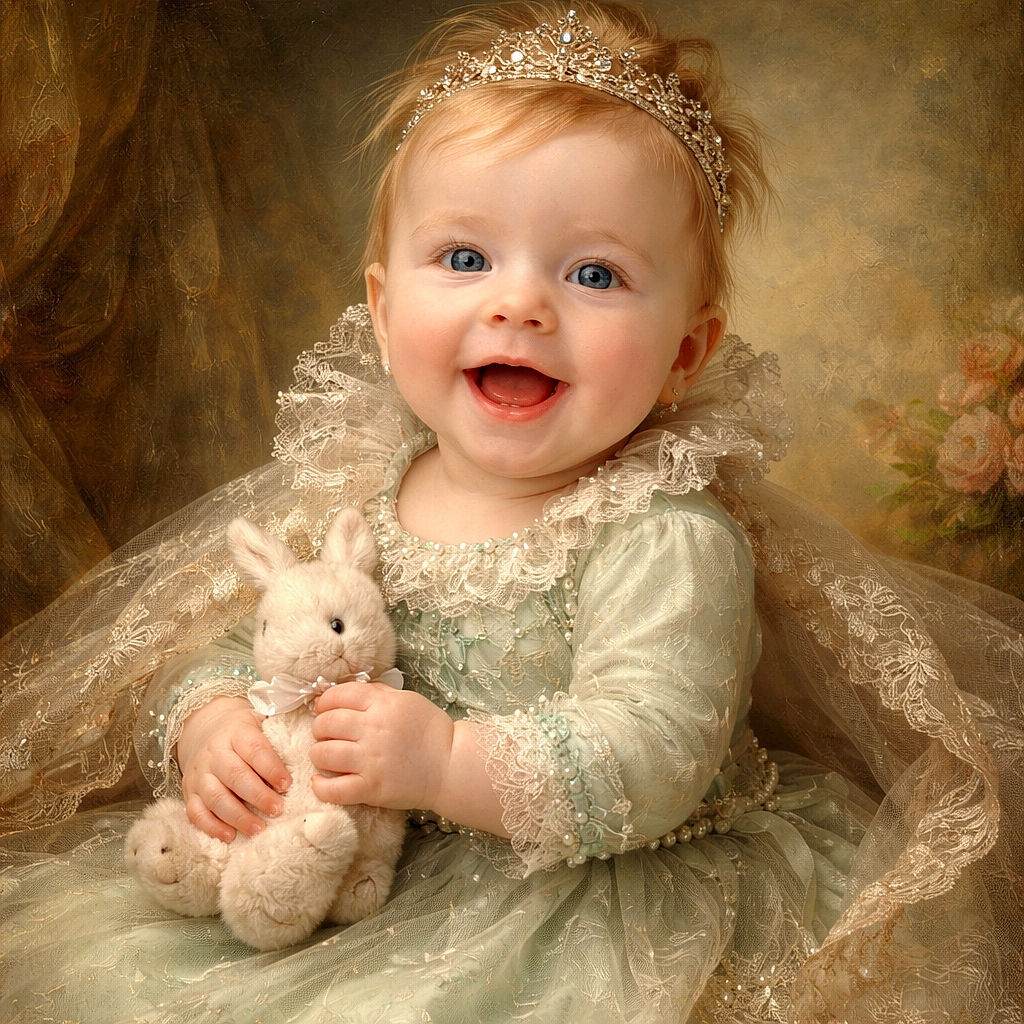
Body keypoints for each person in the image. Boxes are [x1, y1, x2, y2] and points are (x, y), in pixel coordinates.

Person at [1, 3, 1021, 1022]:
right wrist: (215, 721)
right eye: (464, 258)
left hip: (598, 889)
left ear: (684, 354)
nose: (520, 305)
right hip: (374, 863)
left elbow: (654, 748)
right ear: (385, 307)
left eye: (593, 274)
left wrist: (444, 762)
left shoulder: (663, 533)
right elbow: (252, 634)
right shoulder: (367, 489)